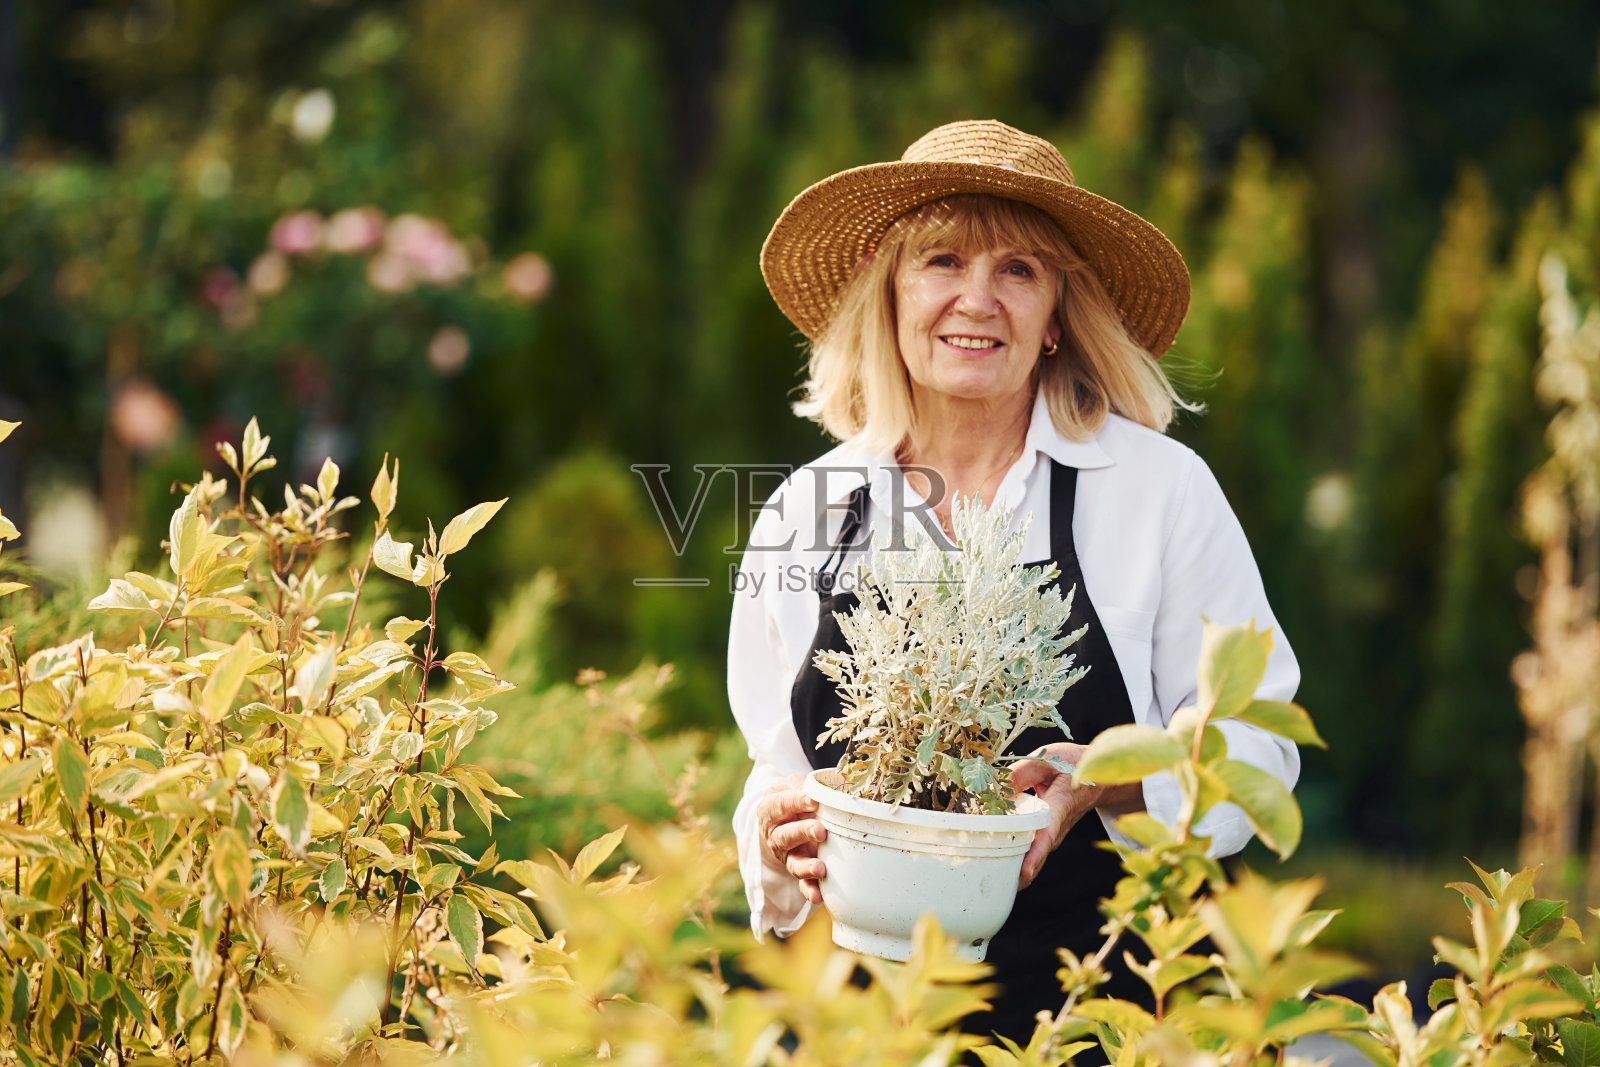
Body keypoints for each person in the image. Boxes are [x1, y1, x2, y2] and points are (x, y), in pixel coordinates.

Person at [727, 119, 1300, 1043]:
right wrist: (774, 836)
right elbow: (775, 767)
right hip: (866, 1030)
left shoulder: (1156, 492)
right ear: (891, 290)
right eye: (942, 261)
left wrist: (1101, 776)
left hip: (1102, 1016)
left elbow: (1256, 752)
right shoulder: (811, 507)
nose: (977, 300)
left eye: (1019, 270)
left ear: (1058, 315)